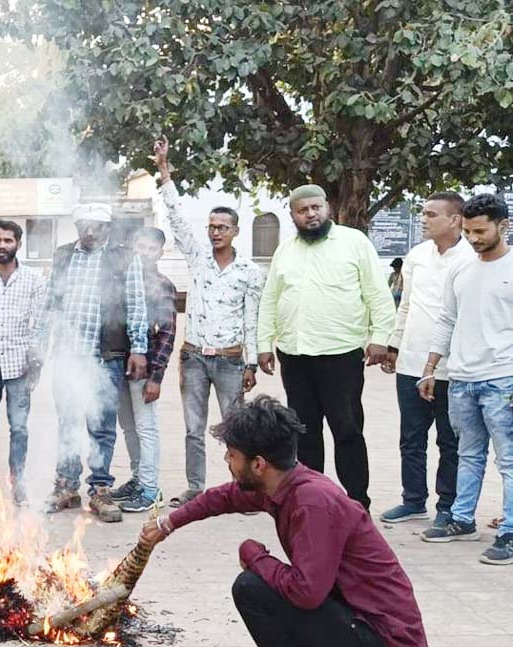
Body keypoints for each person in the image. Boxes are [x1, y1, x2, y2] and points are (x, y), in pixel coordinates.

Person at [140, 396, 427, 647]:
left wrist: (255, 556)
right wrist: (169, 523)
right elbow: (224, 497)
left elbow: (306, 592)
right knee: (262, 591)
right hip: (370, 627)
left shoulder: (312, 503)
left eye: (232, 455)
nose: (227, 461)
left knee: (251, 588)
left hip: (389, 646)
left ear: (259, 464)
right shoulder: (280, 482)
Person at [257, 184, 396, 510]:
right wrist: (265, 344)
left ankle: (357, 504)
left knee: (347, 430)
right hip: (295, 356)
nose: (311, 214)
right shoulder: (285, 251)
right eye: (302, 210)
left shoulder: (354, 242)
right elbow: (270, 301)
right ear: (293, 215)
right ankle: (310, 502)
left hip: (341, 357)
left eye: (316, 207)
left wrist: (380, 338)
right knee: (303, 432)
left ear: (327, 207)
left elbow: (378, 293)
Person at [153, 138, 263, 508]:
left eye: (222, 227)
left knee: (237, 431)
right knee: (193, 429)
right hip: (194, 358)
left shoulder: (248, 271)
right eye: (212, 226)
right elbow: (177, 218)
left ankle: (245, 490)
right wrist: (165, 171)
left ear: (235, 232)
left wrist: (251, 362)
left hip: (231, 361)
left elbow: (252, 317)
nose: (215, 232)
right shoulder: (197, 258)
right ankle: (194, 488)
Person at [31, 203, 148, 523]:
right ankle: (66, 486)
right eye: (84, 225)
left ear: (107, 229)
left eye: (96, 225)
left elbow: (137, 305)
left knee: (102, 426)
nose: (89, 231)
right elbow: (50, 302)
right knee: (67, 422)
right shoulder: (64, 255)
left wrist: (139, 349)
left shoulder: (124, 258)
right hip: (68, 355)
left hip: (105, 357)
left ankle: (99, 489)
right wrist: (39, 345)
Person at [418, 193, 513, 565]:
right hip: (461, 378)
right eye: (469, 231)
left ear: (502, 226)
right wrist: (430, 369)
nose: (473, 239)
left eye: (480, 231)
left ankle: (509, 532)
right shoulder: (461, 268)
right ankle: (461, 520)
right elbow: (447, 320)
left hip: (503, 379)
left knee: (508, 460)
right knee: (467, 454)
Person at [379, 192, 468, 526]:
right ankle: (413, 500)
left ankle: (448, 506)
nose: (424, 219)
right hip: (411, 362)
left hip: (453, 367)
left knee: (450, 441)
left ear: (455, 219)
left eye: (431, 214)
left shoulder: (470, 257)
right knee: (411, 439)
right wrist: (394, 344)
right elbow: (406, 305)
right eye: (423, 213)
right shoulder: (416, 255)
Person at [0, 220, 45, 505]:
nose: (2, 246)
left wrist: (36, 361)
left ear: (19, 244)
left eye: (8, 241)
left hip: (19, 365)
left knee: (19, 428)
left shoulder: (34, 279)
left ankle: (18, 482)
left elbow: (39, 324)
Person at [112, 227, 176, 512]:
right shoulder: (124, 279)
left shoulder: (161, 285)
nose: (144, 252)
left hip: (145, 367)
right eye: (141, 246)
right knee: (129, 427)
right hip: (120, 363)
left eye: (151, 248)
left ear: (160, 252)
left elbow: (166, 334)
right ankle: (138, 479)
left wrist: (156, 376)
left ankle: (150, 489)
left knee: (146, 427)